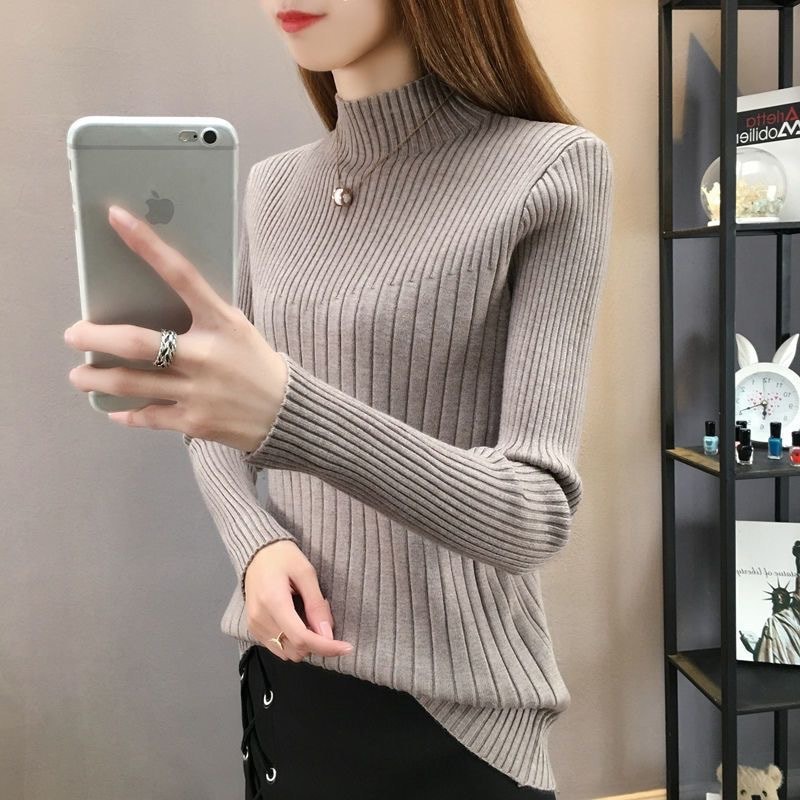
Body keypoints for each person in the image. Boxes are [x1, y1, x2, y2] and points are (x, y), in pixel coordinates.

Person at [64, 0, 614, 796]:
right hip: (287, 679)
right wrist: (256, 543)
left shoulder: (552, 168)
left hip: (455, 719)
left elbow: (535, 513)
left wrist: (288, 412)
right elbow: (213, 412)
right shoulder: (272, 189)